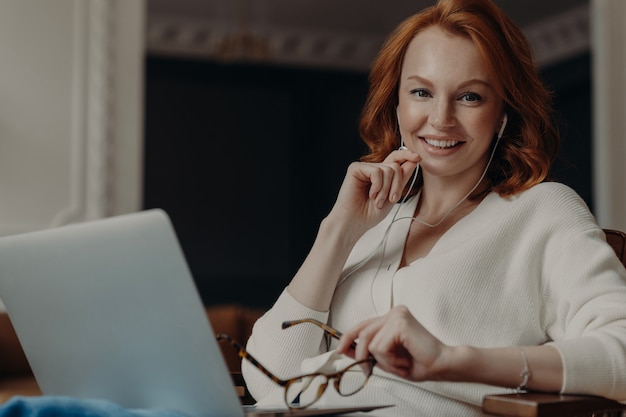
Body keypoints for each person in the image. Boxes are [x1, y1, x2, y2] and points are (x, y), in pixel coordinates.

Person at [241, 0, 626, 415]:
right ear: (397, 102)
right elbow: (269, 378)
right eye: (422, 92)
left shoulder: (543, 211)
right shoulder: (372, 222)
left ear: (503, 114)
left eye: (470, 97)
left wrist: (452, 359)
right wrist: (339, 229)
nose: (440, 119)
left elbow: (621, 353)